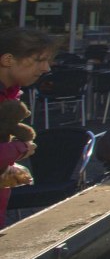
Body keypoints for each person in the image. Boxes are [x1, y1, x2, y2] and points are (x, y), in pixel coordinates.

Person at [0, 29, 53, 228]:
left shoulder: (9, 94)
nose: (46, 68)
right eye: (40, 60)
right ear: (8, 60)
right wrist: (21, 148)